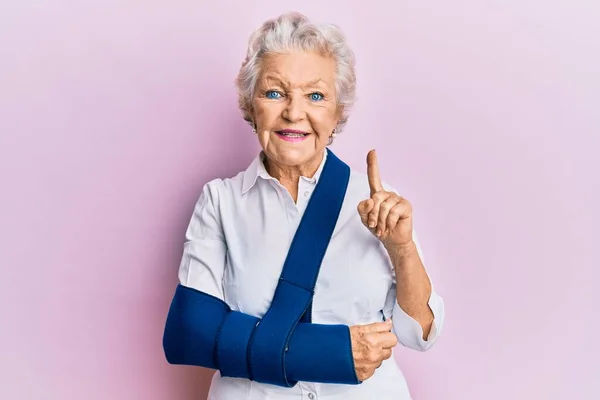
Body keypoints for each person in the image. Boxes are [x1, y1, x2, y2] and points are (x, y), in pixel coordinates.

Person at [162, 11, 445, 400]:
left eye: (315, 95)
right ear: (251, 104)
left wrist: (402, 248)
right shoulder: (220, 202)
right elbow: (190, 334)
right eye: (275, 92)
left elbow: (420, 333)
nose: (294, 113)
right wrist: (329, 353)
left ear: (337, 112)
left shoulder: (377, 204)